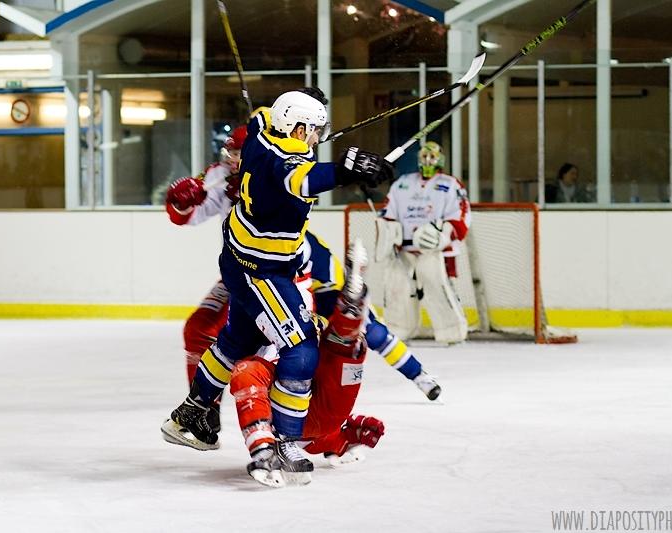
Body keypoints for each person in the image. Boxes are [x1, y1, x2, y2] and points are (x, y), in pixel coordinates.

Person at [163, 88, 393, 480]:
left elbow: (263, 115)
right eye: (314, 130)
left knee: (237, 340)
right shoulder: (284, 162)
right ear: (298, 128)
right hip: (263, 270)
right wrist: (345, 170)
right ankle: (287, 442)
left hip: (238, 257)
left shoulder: (261, 129)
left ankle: (192, 410)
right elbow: (301, 178)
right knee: (300, 350)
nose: (316, 138)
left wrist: (303, 101)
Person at [231, 240, 385, 487]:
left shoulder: (272, 277)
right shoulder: (243, 281)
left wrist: (341, 437)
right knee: (249, 371)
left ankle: (350, 313)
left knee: (346, 349)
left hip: (312, 392)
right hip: (288, 396)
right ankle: (265, 449)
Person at [377, 141, 471, 345]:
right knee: (398, 287)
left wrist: (444, 236)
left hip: (436, 250)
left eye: (432, 157)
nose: (428, 161)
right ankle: (398, 330)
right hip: (405, 249)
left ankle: (452, 332)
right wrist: (389, 232)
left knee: (439, 288)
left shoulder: (450, 184)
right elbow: (388, 212)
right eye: (424, 156)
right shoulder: (403, 183)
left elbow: (461, 215)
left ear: (440, 159)